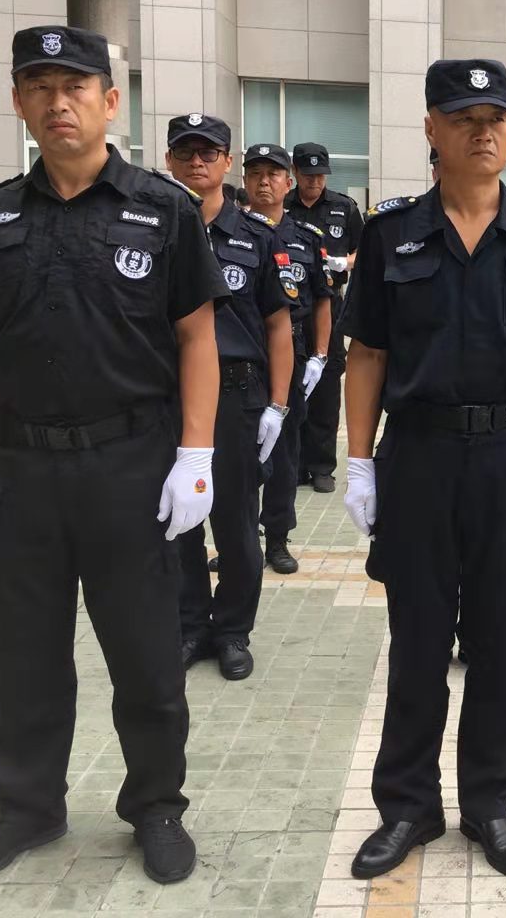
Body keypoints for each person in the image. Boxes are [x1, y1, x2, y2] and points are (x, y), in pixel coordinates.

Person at [0, 25, 227, 885]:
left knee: (145, 652)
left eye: (75, 87)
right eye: (39, 87)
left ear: (110, 101)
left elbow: (197, 337)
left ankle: (157, 806)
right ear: (18, 102)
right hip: (21, 470)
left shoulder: (163, 209)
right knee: (24, 653)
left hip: (128, 465)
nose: (57, 103)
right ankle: (28, 807)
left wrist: (196, 454)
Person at [341, 59, 506, 881]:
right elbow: (367, 354)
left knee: (498, 644)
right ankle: (408, 806)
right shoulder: (390, 235)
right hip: (417, 458)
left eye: (496, 118)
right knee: (416, 643)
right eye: (464, 118)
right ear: (431, 128)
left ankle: (490, 803)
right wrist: (358, 463)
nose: (483, 133)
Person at [168, 114, 295, 680]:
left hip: (237, 396)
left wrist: (278, 405)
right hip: (168, 396)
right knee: (176, 520)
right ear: (169, 161)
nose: (197, 162)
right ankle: (190, 625)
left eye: (208, 153)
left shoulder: (257, 238)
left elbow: (278, 327)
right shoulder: (154, 230)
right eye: (185, 152)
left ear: (226, 162)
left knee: (237, 523)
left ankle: (233, 630)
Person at [246, 144, 332, 573]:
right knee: (239, 451)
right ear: (245, 180)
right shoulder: (227, 231)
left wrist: (320, 355)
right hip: (243, 353)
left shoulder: (305, 238)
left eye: (273, 174)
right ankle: (240, 539)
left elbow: (322, 299)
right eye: (256, 174)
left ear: (288, 182)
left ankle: (277, 537)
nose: (264, 182)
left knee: (283, 450)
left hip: (292, 353)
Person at [288, 143, 365, 493]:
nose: (315, 182)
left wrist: (344, 262)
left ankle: (322, 466)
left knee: (326, 384)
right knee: (290, 382)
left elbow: (364, 251)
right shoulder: (284, 206)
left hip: (330, 305)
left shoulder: (343, 208)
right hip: (289, 304)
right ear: (295, 173)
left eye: (320, 175)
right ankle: (294, 463)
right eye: (308, 175)